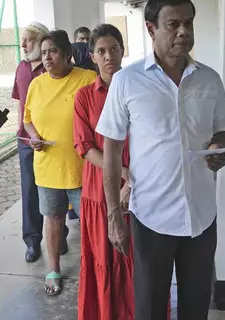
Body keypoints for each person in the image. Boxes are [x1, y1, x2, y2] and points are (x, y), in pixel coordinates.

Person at [96, 0, 225, 320]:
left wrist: (219, 148)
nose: (183, 31)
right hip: (151, 216)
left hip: (201, 215)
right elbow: (111, 149)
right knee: (150, 308)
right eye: (173, 24)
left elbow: (223, 131)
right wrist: (114, 215)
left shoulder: (209, 79)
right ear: (151, 29)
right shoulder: (127, 82)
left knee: (196, 306)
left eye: (188, 23)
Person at [23, 30, 97, 296]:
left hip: (83, 168)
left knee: (91, 223)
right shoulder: (36, 85)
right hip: (48, 166)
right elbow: (27, 118)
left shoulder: (87, 80)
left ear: (68, 55)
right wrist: (33, 137)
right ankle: (53, 268)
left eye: (52, 51)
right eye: (43, 53)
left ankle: (94, 269)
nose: (47, 57)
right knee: (53, 218)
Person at [74, 24, 134, 320]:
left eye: (114, 49)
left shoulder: (138, 90)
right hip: (99, 192)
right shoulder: (84, 97)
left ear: (123, 51)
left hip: (139, 189)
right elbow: (84, 147)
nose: (108, 56)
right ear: (92, 57)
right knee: (102, 259)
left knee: (136, 262)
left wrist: (133, 182)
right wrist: (125, 174)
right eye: (101, 51)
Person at [11, 21, 53, 263]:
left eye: (28, 39)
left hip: (51, 141)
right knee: (29, 190)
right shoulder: (22, 68)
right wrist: (21, 131)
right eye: (23, 40)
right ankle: (32, 241)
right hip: (27, 140)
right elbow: (21, 103)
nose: (23, 44)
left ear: (40, 40)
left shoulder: (52, 67)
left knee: (54, 190)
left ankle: (59, 233)